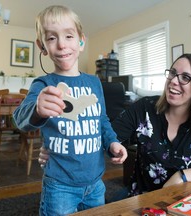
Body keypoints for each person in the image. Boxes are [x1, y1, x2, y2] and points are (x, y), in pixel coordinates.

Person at [39, 53, 191, 199]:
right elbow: (105, 138)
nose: (174, 82)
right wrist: (60, 148)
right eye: (172, 73)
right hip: (140, 197)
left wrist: (182, 176)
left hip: (183, 201)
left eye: (185, 77)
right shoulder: (145, 108)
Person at [13, 5, 127, 215]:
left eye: (68, 36)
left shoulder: (94, 82)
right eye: (51, 38)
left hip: (96, 183)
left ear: (81, 41)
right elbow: (19, 120)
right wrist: (37, 109)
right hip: (59, 185)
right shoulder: (43, 84)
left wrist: (112, 141)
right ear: (42, 46)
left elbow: (102, 120)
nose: (62, 44)